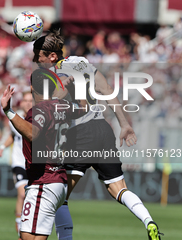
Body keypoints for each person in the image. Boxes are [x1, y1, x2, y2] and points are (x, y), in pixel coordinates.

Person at [32, 30, 163, 240]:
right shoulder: (82, 62)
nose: (37, 62)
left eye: (39, 58)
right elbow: (107, 89)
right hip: (103, 129)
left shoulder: (56, 72)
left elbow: (66, 86)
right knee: (118, 188)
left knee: (59, 195)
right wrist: (124, 124)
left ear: (52, 56)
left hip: (80, 134)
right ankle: (149, 222)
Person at [0, 69, 87, 240]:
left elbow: (33, 133)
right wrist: (77, 89)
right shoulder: (64, 106)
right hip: (58, 180)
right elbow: (84, 108)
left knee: (28, 237)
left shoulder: (38, 110)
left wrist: (8, 111)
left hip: (44, 181)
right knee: (34, 237)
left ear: (32, 89)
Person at [0, 91, 33, 239]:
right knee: (22, 193)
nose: (28, 103)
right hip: (19, 162)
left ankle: (26, 221)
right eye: (25, 100)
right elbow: (12, 136)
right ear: (21, 103)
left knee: (30, 196)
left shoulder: (38, 118)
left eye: (31, 100)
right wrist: (2, 147)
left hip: (33, 164)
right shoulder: (15, 117)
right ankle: (19, 223)